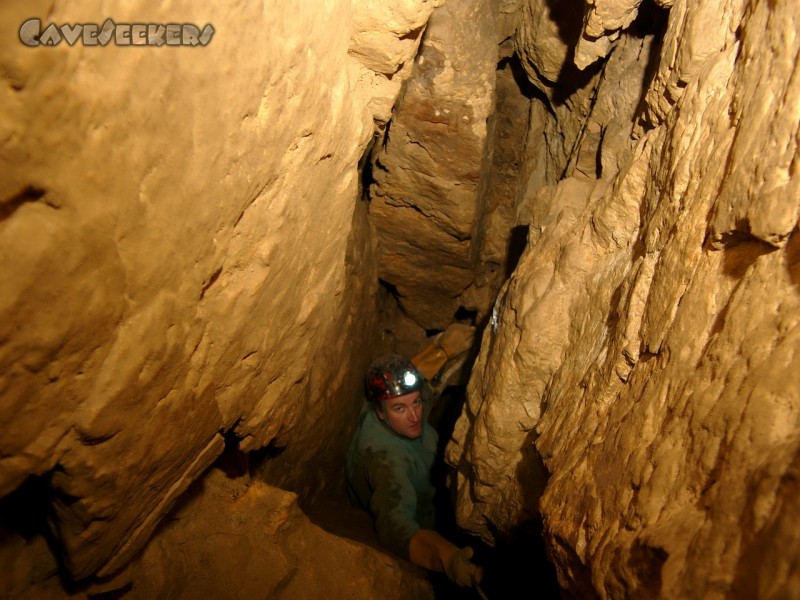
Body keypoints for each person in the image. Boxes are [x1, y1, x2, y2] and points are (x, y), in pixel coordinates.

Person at [345, 354, 483, 589]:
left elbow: (423, 387)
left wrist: (446, 347)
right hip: (419, 512)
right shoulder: (386, 461)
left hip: (428, 478)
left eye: (416, 403)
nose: (414, 416)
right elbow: (395, 525)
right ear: (380, 412)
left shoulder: (393, 407)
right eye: (400, 408)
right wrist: (446, 557)